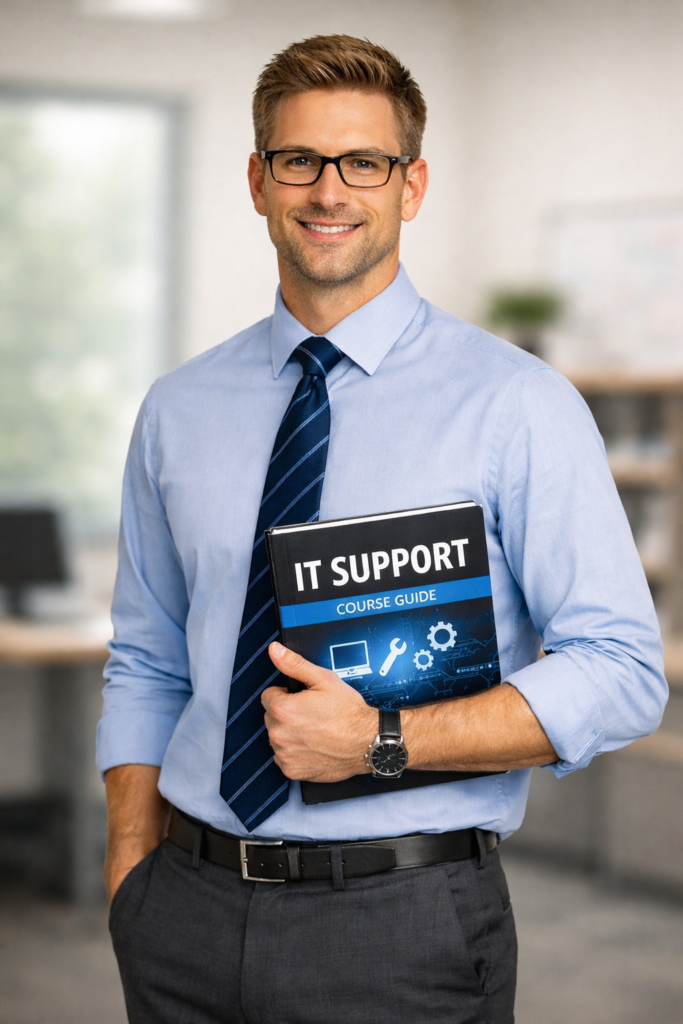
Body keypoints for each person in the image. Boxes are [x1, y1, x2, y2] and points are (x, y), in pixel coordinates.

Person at [98, 34, 667, 1024]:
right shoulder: (178, 407)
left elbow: (621, 670)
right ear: (256, 180)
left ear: (410, 185)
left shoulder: (516, 403)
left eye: (362, 162)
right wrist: (129, 874)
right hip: (181, 911)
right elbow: (148, 657)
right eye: (298, 160)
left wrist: (384, 741)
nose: (328, 191)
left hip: (399, 924)